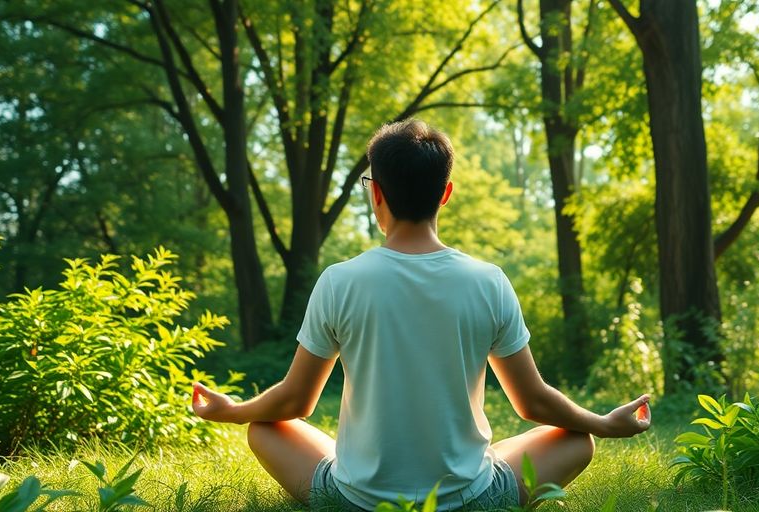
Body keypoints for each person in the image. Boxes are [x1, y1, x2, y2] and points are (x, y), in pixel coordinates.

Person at [190, 119, 651, 511]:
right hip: (468, 499)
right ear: (445, 193)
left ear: (377, 195)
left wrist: (234, 411)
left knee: (264, 427)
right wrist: (604, 424)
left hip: (358, 499)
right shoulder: (488, 280)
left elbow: (295, 403)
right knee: (575, 440)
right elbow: (532, 403)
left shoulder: (340, 280)